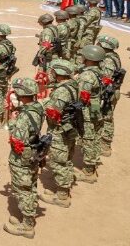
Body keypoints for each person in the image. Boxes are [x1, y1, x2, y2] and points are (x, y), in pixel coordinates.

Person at [3, 77, 44, 239]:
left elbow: (17, 140)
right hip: (33, 152)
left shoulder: (24, 116)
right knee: (30, 184)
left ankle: (27, 225)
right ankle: (28, 215)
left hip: (22, 158)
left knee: (22, 188)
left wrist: (13, 121)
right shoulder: (37, 107)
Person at [38, 60, 81, 208]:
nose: (51, 74)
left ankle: (62, 196)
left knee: (57, 161)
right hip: (69, 128)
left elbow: (53, 113)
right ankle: (62, 187)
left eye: (53, 71)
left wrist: (41, 105)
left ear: (59, 73)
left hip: (59, 131)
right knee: (66, 158)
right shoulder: (73, 85)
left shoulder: (62, 91)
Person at [74, 45, 106, 183]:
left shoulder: (87, 76)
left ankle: (89, 171)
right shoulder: (98, 71)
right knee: (95, 136)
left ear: (89, 58)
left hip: (87, 112)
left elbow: (82, 96)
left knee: (88, 139)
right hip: (96, 108)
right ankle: (94, 161)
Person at [97, 35, 124, 157]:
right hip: (111, 92)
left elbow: (106, 80)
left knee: (107, 118)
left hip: (108, 94)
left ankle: (105, 145)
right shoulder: (113, 56)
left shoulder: (108, 60)